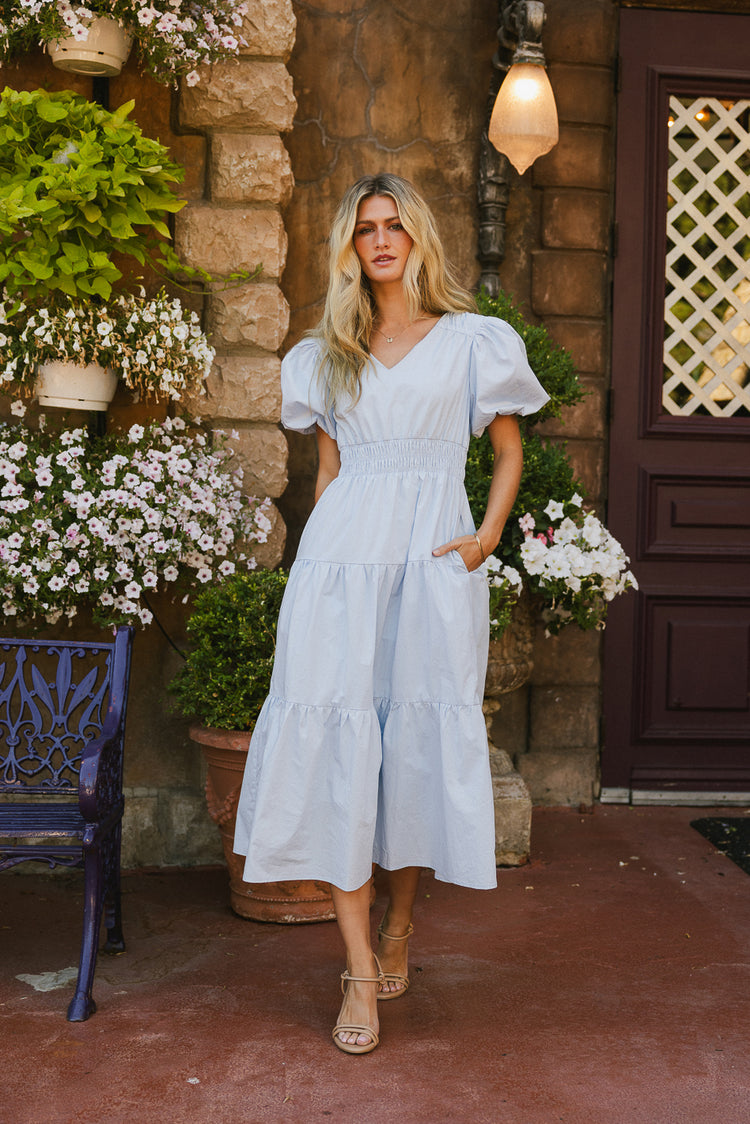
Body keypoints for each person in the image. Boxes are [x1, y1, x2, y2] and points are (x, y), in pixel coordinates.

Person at [234, 173, 549, 1055]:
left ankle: (400, 925)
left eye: (394, 226)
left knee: (412, 747)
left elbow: (507, 449)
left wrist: (486, 535)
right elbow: (328, 475)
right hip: (341, 565)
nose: (380, 241)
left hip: (435, 561)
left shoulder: (473, 342)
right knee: (337, 743)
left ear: (418, 239)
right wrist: (310, 574)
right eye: (366, 228)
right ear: (351, 245)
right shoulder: (327, 351)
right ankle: (359, 974)